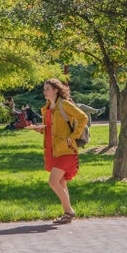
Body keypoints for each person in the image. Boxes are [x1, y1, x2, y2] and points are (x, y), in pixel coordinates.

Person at [27, 78, 89, 224]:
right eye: (44, 89)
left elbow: (83, 117)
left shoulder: (64, 104)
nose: (45, 91)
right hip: (52, 150)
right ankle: (67, 215)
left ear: (56, 90)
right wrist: (39, 129)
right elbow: (52, 129)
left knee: (53, 181)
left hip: (65, 150)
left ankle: (69, 211)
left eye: (48, 89)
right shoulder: (47, 108)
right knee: (61, 182)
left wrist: (73, 136)